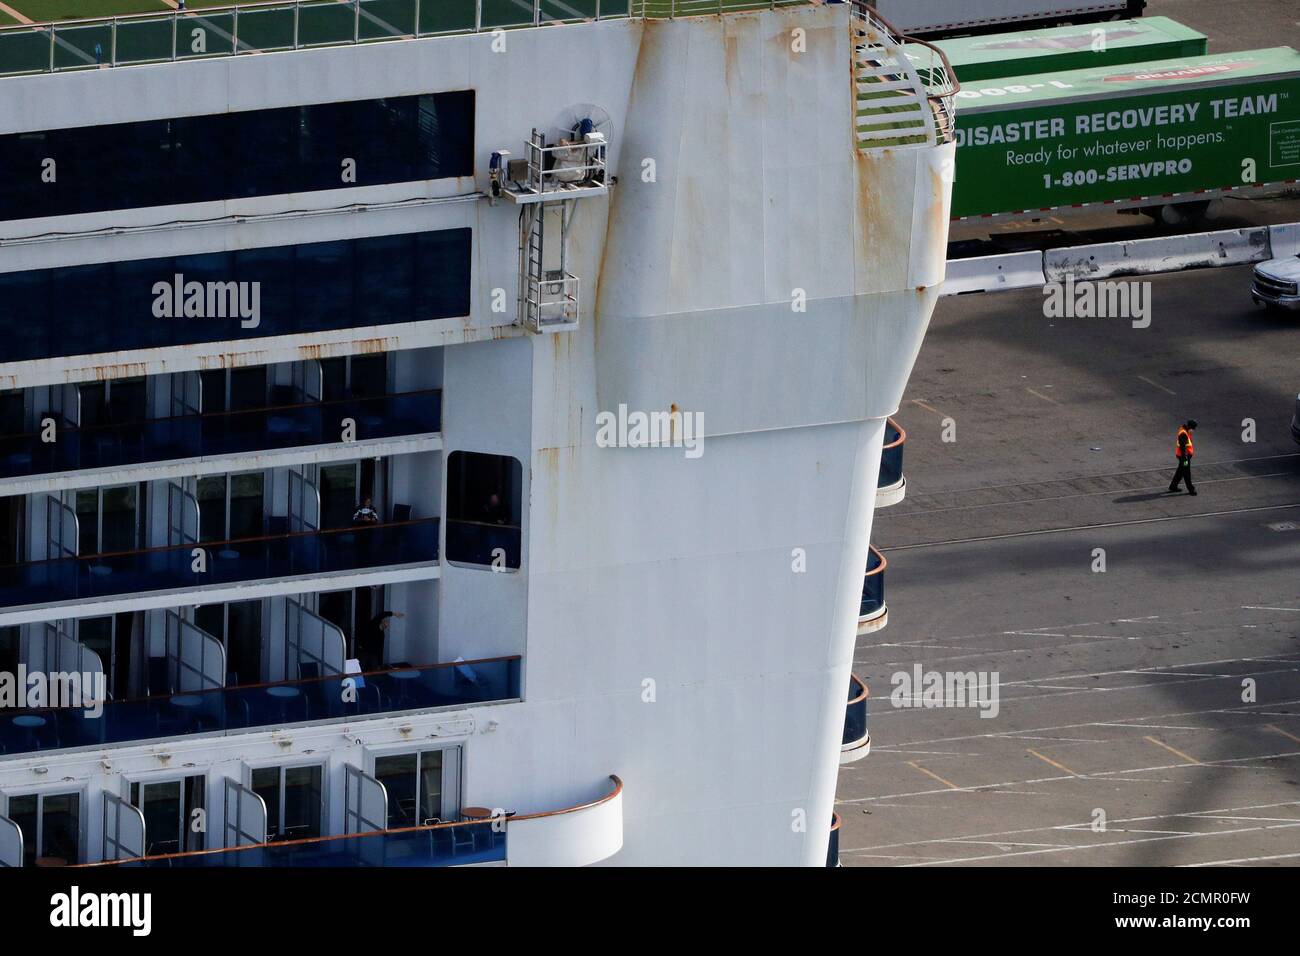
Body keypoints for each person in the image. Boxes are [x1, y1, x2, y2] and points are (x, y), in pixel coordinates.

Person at [1168, 419, 1197, 496]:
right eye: (1193, 428)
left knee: (1180, 472)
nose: (1193, 430)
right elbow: (1183, 447)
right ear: (1190, 426)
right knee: (1186, 473)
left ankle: (1173, 486)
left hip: (1183, 456)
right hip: (1184, 457)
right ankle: (1191, 489)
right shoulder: (1183, 433)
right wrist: (1185, 459)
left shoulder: (1184, 430)